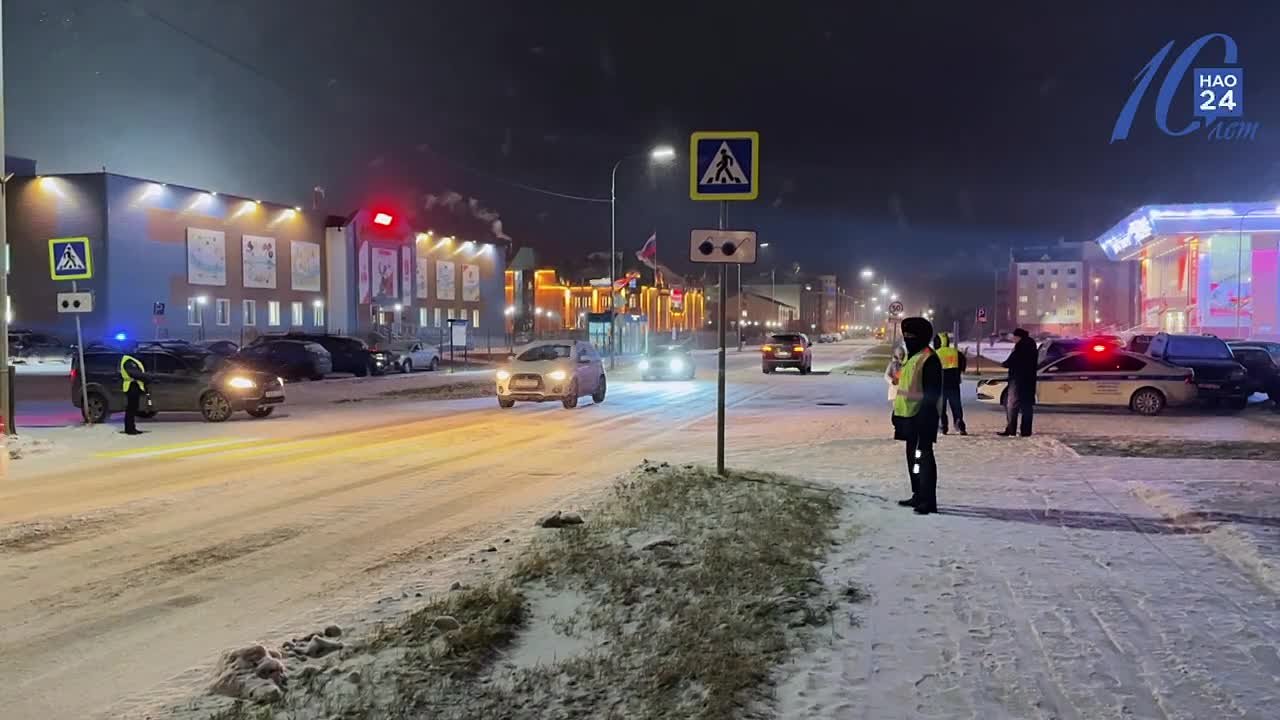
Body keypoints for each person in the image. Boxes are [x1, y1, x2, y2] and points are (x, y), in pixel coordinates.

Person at [892, 317, 943, 515]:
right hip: (908, 417)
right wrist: (897, 414)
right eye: (905, 336)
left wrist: (925, 416)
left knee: (923, 457)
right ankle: (917, 493)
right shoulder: (912, 357)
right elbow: (905, 389)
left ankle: (928, 499)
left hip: (923, 418)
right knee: (913, 459)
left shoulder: (929, 358)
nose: (907, 339)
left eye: (911, 336)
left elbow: (932, 393)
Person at [1000, 328, 1038, 437]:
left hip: (1017, 379)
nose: (1013, 339)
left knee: (1012, 405)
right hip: (1029, 380)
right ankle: (1026, 431)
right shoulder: (1032, 345)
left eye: (1014, 337)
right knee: (1027, 406)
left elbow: (1013, 361)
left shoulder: (1020, 346)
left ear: (1018, 337)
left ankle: (1011, 429)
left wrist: (1004, 364)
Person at [933, 331, 967, 435]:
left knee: (941, 407)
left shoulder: (935, 354)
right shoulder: (955, 352)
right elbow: (963, 363)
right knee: (956, 405)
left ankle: (943, 427)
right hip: (954, 383)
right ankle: (960, 425)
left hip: (940, 385)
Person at [119, 350, 149, 436]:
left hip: (134, 386)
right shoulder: (128, 360)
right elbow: (134, 373)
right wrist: (146, 378)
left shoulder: (131, 359)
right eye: (134, 347)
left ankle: (131, 428)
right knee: (131, 409)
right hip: (131, 386)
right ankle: (129, 429)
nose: (136, 350)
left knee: (133, 408)